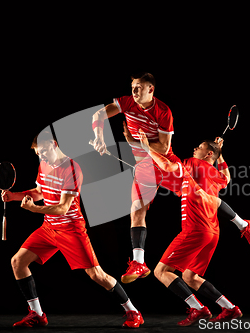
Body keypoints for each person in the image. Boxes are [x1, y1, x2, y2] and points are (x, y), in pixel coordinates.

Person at [1, 130, 143, 328]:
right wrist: (14, 196)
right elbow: (39, 192)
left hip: (71, 229)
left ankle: (133, 311)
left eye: (42, 151)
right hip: (49, 228)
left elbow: (62, 208)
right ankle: (38, 314)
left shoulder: (71, 168)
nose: (40, 157)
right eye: (37, 154)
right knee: (17, 262)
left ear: (54, 144)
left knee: (97, 275)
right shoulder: (44, 165)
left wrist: (34, 210)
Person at [138, 128, 250, 326]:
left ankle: (197, 308)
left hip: (195, 229)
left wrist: (146, 149)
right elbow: (227, 178)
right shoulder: (214, 174)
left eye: (200, 147)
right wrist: (221, 155)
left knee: (161, 271)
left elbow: (168, 165)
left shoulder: (193, 163)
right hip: (212, 232)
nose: (194, 148)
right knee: (190, 276)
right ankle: (230, 308)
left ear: (208, 153)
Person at [91, 72, 182, 284]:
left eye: (139, 87)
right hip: (144, 166)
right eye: (133, 86)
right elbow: (98, 115)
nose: (134, 91)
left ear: (151, 89)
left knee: (199, 195)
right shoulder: (126, 102)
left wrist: (139, 143)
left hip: (164, 162)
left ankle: (242, 225)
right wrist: (98, 138)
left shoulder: (163, 111)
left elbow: (164, 146)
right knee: (136, 208)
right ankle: (139, 262)